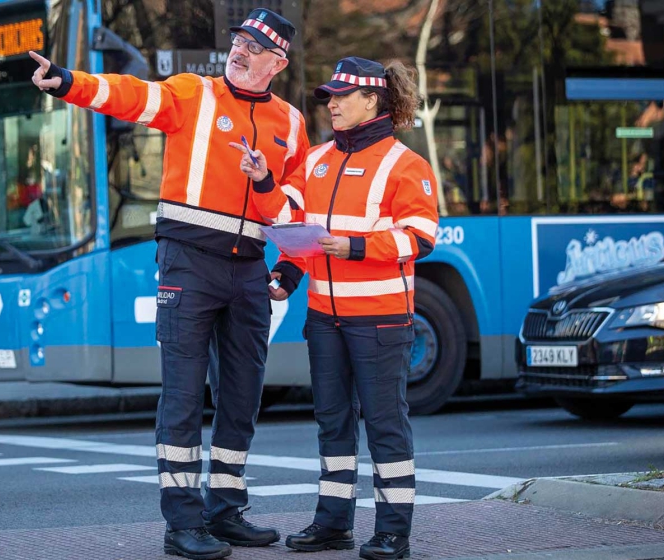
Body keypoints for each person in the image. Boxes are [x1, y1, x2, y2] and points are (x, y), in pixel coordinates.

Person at [30, 8, 308, 560]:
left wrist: (291, 265)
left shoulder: (291, 123)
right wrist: (67, 81)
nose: (241, 51)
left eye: (255, 47)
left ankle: (226, 512)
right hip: (187, 262)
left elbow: (297, 204)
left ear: (277, 62)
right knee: (181, 396)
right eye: (239, 41)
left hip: (250, 267)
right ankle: (182, 523)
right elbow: (130, 95)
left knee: (242, 397)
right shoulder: (193, 93)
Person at [233, 57, 439, 560]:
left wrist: (355, 246)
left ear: (373, 100)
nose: (332, 104)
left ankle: (393, 532)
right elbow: (290, 220)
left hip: (381, 320)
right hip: (325, 319)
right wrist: (285, 265)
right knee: (332, 422)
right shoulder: (319, 158)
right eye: (329, 95)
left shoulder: (406, 164)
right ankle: (333, 525)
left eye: (342, 96)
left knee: (386, 425)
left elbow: (422, 237)